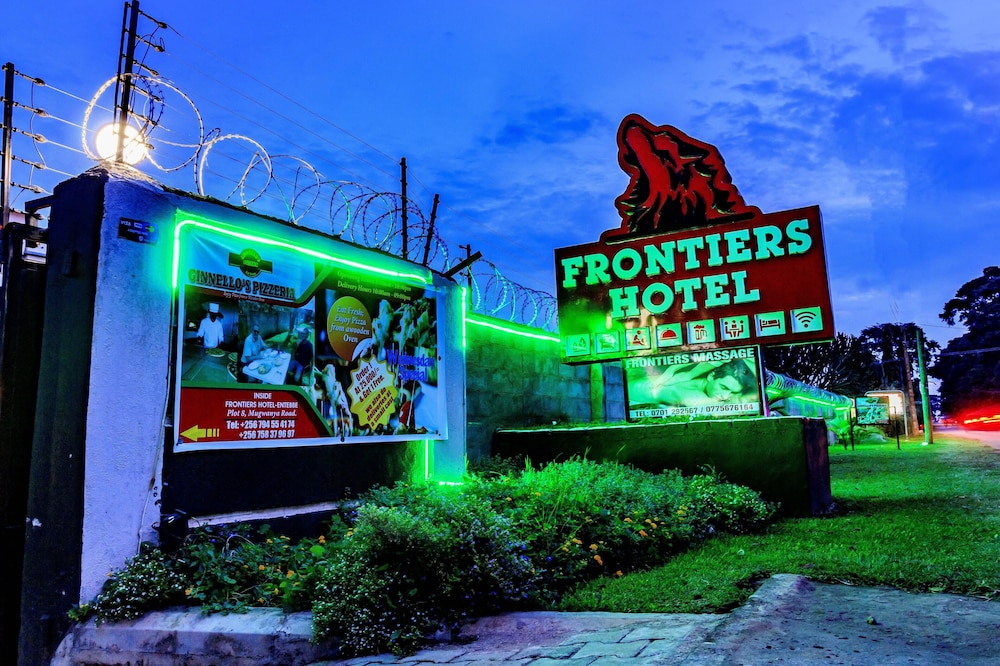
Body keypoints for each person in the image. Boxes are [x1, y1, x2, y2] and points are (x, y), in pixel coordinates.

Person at [648, 357, 758, 408]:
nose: (725, 396)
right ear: (711, 376)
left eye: (732, 392)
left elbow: (689, 374)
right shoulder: (690, 395)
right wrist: (671, 371)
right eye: (724, 387)